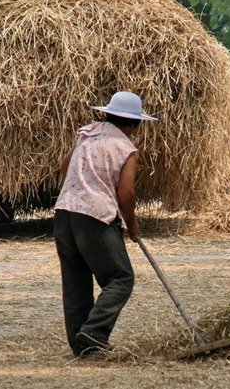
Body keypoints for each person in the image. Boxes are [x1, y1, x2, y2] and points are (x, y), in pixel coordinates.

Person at [53, 91, 157, 357]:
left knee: (76, 283)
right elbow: (126, 194)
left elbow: (65, 168)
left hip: (65, 213)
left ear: (107, 114)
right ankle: (94, 333)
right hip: (95, 216)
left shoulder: (87, 133)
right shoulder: (125, 147)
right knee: (121, 278)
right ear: (135, 124)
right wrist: (132, 223)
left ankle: (82, 345)